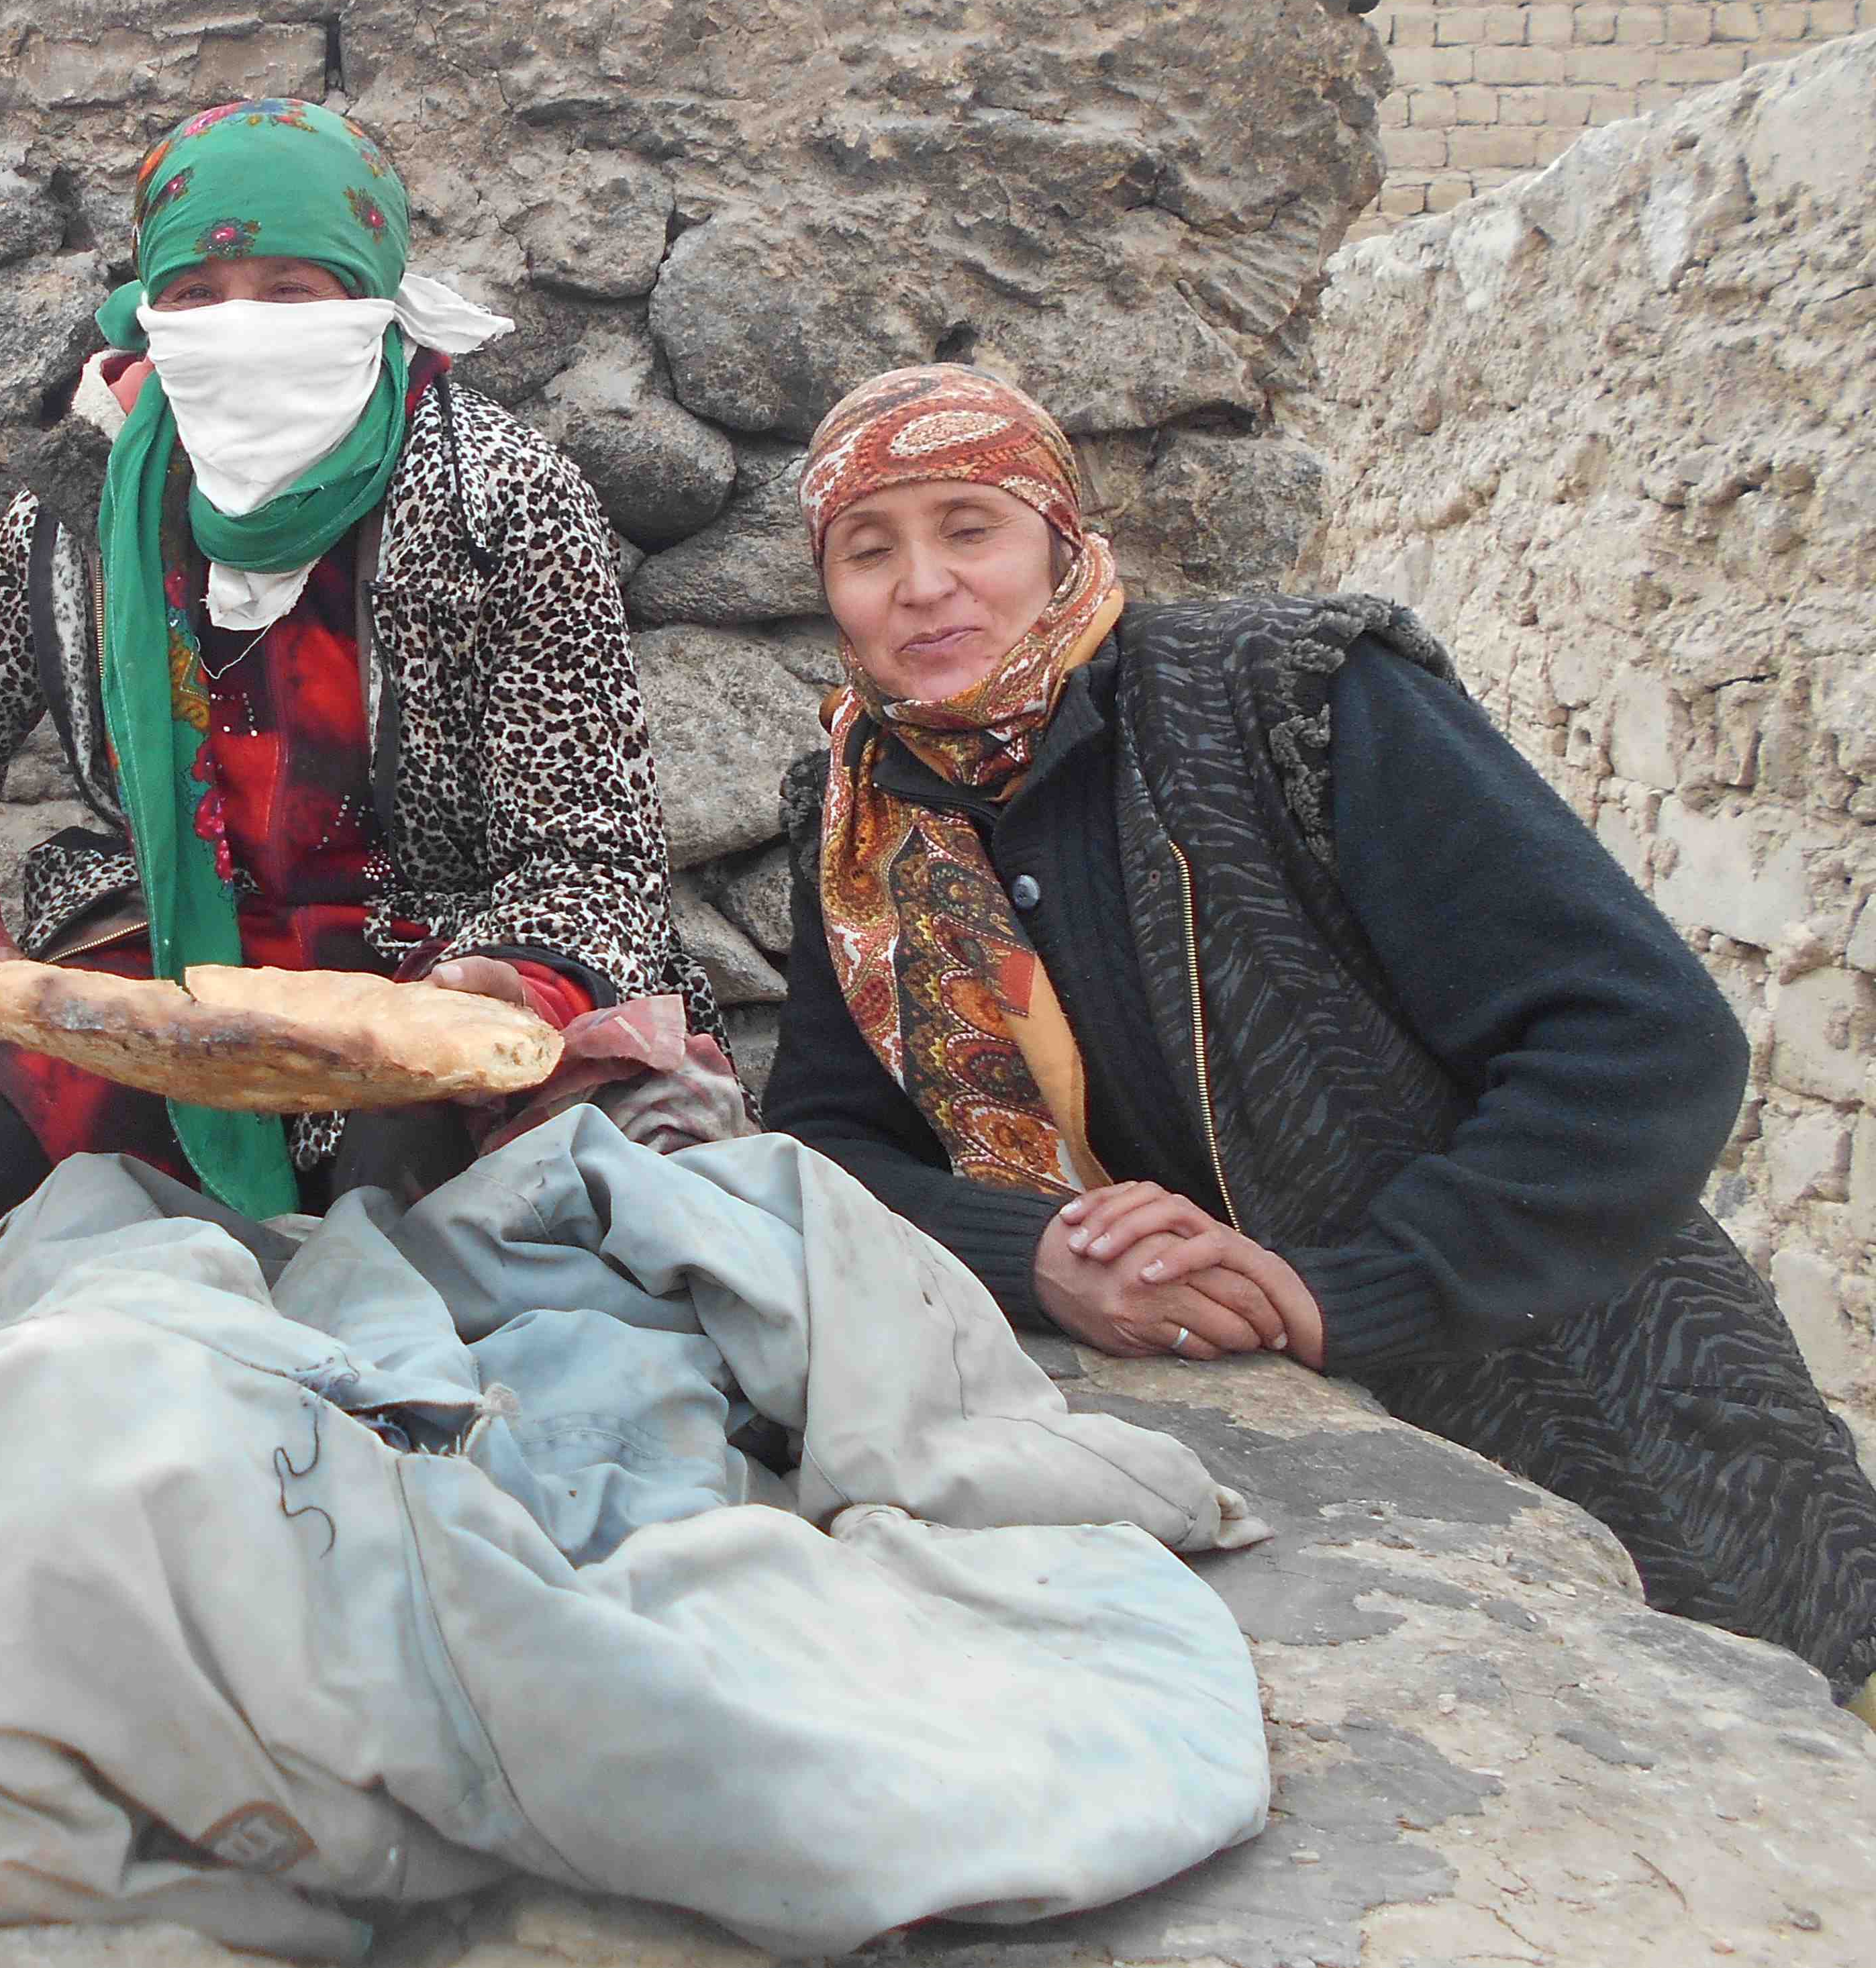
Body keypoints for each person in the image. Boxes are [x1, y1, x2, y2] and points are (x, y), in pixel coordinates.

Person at [758, 362, 1876, 1706]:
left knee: (1747, 1748)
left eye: (968, 528)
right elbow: (827, 1148)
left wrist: (1352, 1289)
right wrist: (1038, 1256)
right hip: (1291, 1519)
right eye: (867, 551)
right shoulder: (858, 821)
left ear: (1056, 540)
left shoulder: (1288, 697)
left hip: (1600, 1403)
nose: (923, 585)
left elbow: (1639, 1039)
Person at [0, 97, 703, 1259]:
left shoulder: (501, 500)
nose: (240, 329)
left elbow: (594, 851)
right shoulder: (88, 504)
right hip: (163, 966)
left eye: (290, 291)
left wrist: (510, 989)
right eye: (195, 295)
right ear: (150, 311)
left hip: (428, 963)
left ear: (368, 298)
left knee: (407, 1229)